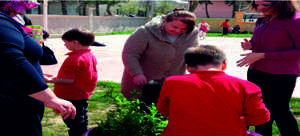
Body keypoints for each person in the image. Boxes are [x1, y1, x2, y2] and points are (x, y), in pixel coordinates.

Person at [157, 45, 270, 136]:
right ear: (224, 65)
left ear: (188, 67)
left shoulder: (172, 83)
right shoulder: (245, 86)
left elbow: (163, 110)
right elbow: (260, 118)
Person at [0, 1, 76, 136]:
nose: (22, 12)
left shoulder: (7, 20)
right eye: (19, 7)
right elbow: (11, 62)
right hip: (12, 106)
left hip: (21, 103)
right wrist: (50, 98)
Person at [237, 1, 300, 136]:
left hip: (281, 74)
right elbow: (265, 43)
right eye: (257, 4)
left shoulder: (295, 21)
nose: (259, 8)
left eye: (264, 5)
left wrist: (263, 55)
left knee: (280, 111)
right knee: (261, 110)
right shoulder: (262, 20)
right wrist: (251, 45)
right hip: (256, 71)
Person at [121, 8, 200, 101]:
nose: (178, 31)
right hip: (143, 82)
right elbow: (130, 54)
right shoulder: (145, 32)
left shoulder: (192, 34)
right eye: (175, 27)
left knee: (167, 111)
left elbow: (193, 55)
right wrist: (136, 74)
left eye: (183, 29)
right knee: (142, 110)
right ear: (166, 20)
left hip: (172, 82)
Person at [45, 29, 98, 136]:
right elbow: (77, 76)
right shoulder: (89, 55)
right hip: (81, 95)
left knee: (74, 124)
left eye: (66, 43)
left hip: (72, 97)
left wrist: (50, 80)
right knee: (80, 121)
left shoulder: (75, 59)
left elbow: (69, 80)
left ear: (75, 42)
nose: (65, 45)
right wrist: (56, 77)